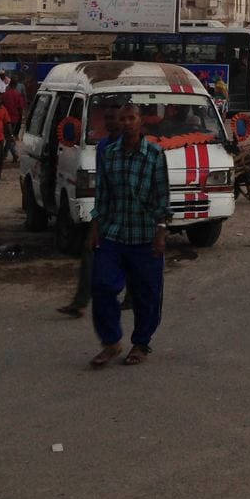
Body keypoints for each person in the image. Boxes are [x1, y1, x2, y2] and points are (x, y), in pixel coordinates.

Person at [87, 103, 169, 367]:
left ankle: (141, 344)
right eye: (121, 119)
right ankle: (111, 342)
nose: (126, 123)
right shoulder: (109, 154)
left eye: (131, 118)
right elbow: (103, 194)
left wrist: (161, 232)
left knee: (147, 293)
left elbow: (162, 196)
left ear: (140, 121)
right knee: (102, 285)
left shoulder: (155, 155)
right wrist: (95, 226)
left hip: (144, 234)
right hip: (113, 232)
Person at [58, 102, 125, 318]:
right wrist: (96, 218)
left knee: (130, 256)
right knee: (90, 251)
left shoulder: (132, 146)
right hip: (107, 211)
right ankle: (80, 302)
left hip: (129, 213)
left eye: (114, 117)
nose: (110, 122)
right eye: (107, 118)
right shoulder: (104, 146)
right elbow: (103, 184)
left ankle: (131, 296)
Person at [2, 76, 27, 164]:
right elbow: (21, 107)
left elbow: (2, 107)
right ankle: (12, 155)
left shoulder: (4, 94)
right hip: (15, 119)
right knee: (10, 137)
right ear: (16, 85)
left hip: (5, 119)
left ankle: (5, 154)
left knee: (9, 137)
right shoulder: (17, 94)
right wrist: (21, 117)